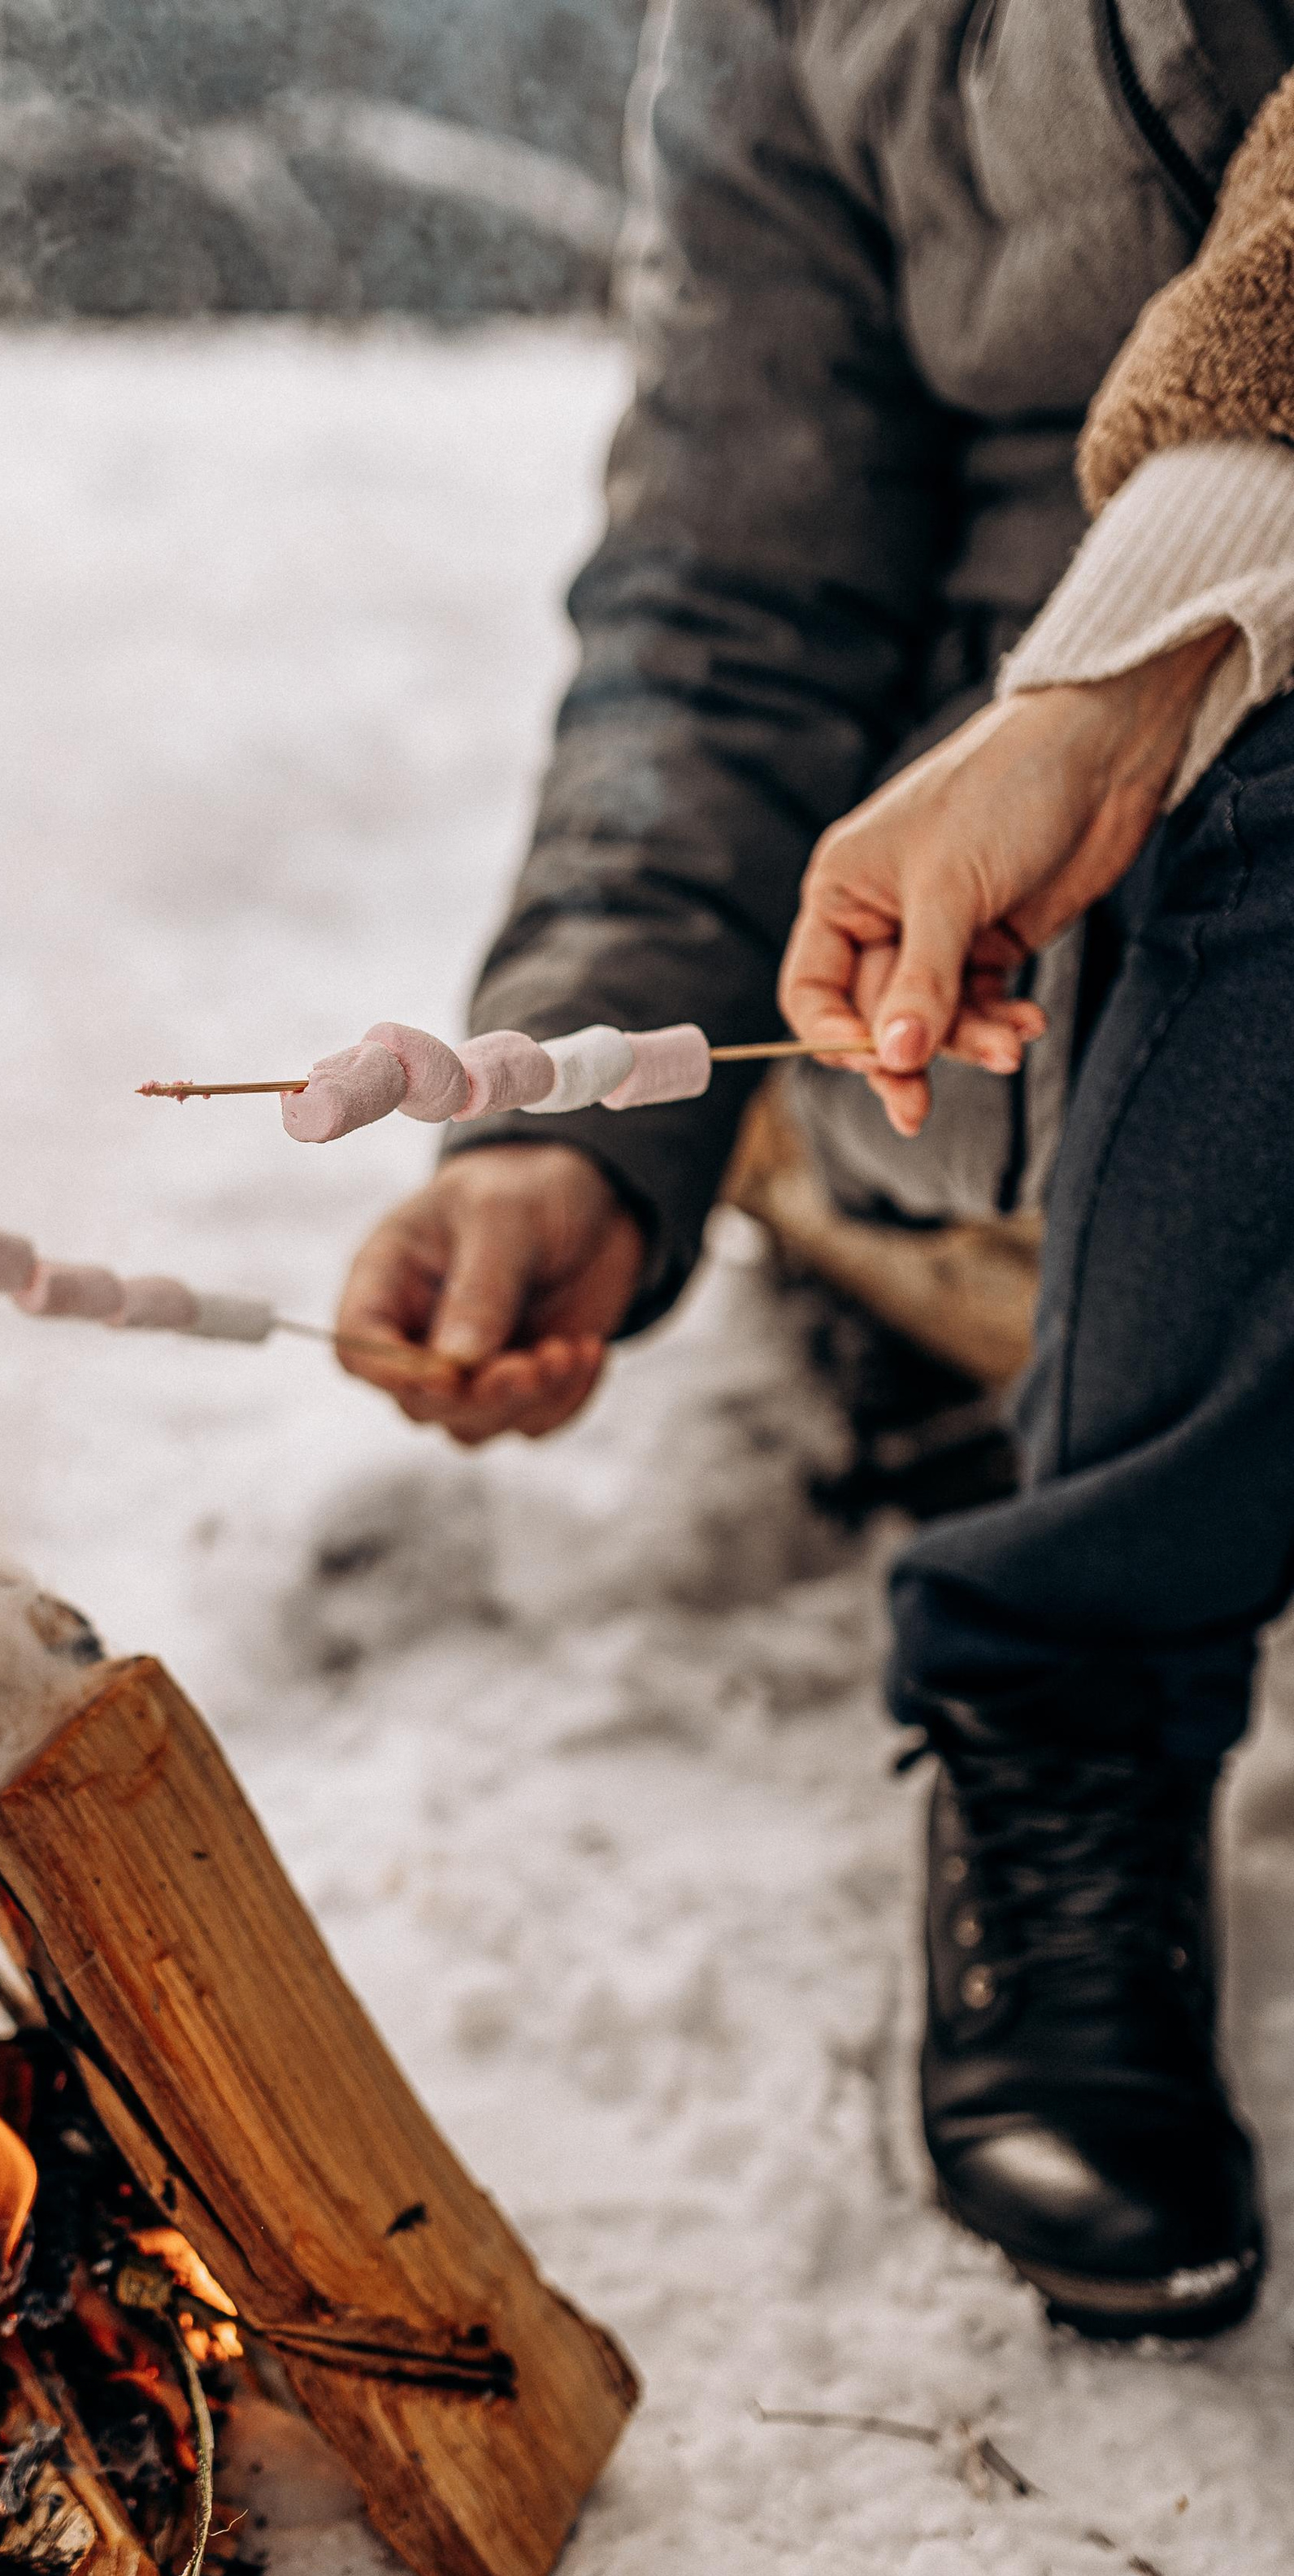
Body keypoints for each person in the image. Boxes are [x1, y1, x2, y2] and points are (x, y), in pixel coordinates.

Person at [339, 7, 1294, 2343]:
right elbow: (726, 589)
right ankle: (1065, 1724)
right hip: (1006, 909)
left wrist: (1153, 654)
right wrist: (579, 1107)